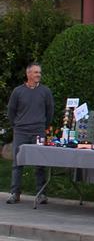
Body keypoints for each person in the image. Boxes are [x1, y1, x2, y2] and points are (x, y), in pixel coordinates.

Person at [6, 62, 54, 205]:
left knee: (40, 163)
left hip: (38, 131)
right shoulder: (18, 91)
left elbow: (49, 111)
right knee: (17, 162)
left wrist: (43, 126)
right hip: (21, 131)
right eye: (35, 72)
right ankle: (15, 193)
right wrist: (16, 125)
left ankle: (41, 194)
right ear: (28, 74)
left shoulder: (45, 92)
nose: (38, 75)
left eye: (39, 72)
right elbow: (11, 111)